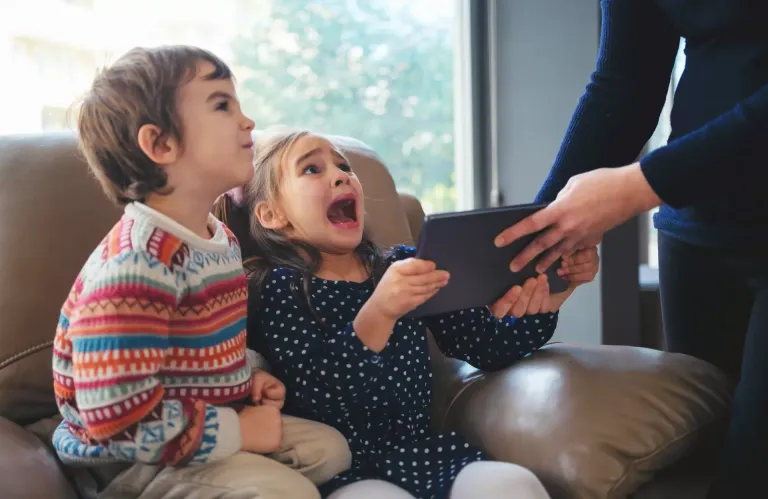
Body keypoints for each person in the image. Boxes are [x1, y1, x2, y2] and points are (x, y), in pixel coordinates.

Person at [213, 126, 600, 499]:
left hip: (424, 455)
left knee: (512, 485)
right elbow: (320, 394)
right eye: (312, 169)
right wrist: (380, 311)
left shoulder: (400, 266)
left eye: (344, 166)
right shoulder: (277, 289)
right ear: (272, 215)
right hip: (342, 469)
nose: (341, 176)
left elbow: (486, 346)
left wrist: (555, 292)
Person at [492, 1, 768, 497]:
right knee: (696, 460)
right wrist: (545, 232)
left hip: (684, 192)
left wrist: (644, 183)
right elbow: (625, 81)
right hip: (698, 233)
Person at [51, 46, 351, 499]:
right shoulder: (137, 265)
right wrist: (238, 432)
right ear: (161, 145)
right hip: (128, 459)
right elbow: (115, 419)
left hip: (197, 420)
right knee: (291, 493)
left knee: (330, 451)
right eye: (222, 105)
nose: (248, 121)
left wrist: (247, 378)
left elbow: (204, 350)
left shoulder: (219, 240)